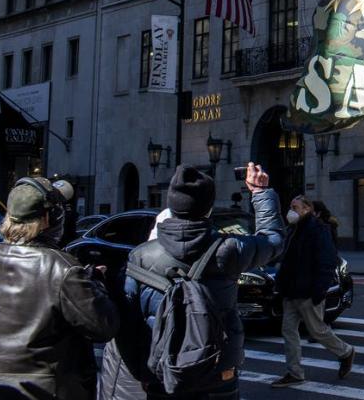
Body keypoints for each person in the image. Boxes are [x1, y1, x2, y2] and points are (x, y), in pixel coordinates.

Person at [105, 163, 284, 400]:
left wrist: (144, 374)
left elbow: (126, 327)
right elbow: (273, 240)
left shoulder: (141, 256)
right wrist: (261, 193)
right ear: (209, 208)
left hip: (163, 375)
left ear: (171, 205)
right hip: (218, 372)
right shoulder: (228, 249)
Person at [0, 177, 118, 399]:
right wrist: (97, 286)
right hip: (47, 391)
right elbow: (103, 326)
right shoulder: (64, 269)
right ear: (48, 218)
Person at [270, 195, 354, 388]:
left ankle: (345, 352)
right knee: (288, 331)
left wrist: (320, 289)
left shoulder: (318, 230)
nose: (290, 211)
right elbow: (286, 262)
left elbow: (328, 261)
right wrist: (280, 287)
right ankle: (295, 373)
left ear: (307, 209)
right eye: (290, 206)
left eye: (295, 207)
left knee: (317, 331)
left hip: (308, 291)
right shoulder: (292, 229)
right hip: (291, 291)